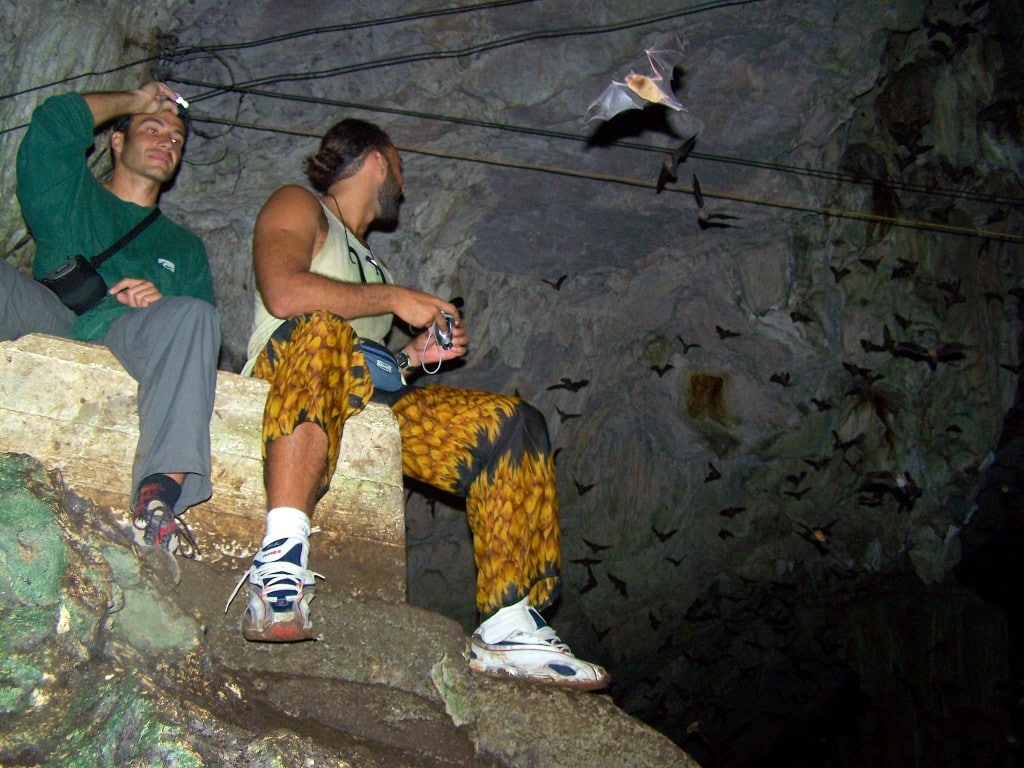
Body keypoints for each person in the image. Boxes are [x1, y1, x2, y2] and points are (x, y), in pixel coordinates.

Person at [237, 118, 609, 691]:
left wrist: (412, 356)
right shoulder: (300, 205)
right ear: (377, 161)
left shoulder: (372, 263)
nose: (404, 186)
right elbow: (285, 293)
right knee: (323, 327)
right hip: (287, 371)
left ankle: (510, 623)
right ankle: (280, 561)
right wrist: (395, 298)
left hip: (358, 392)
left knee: (512, 425)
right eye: (400, 168)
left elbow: (365, 368)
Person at [1, 82, 221, 556]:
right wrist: (136, 101)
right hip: (55, 317)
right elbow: (54, 124)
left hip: (129, 334)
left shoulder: (184, 248)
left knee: (193, 314)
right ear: (117, 141)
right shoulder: (73, 197)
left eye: (176, 139)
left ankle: (157, 501)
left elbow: (197, 338)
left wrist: (159, 303)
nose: (167, 142)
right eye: (153, 129)